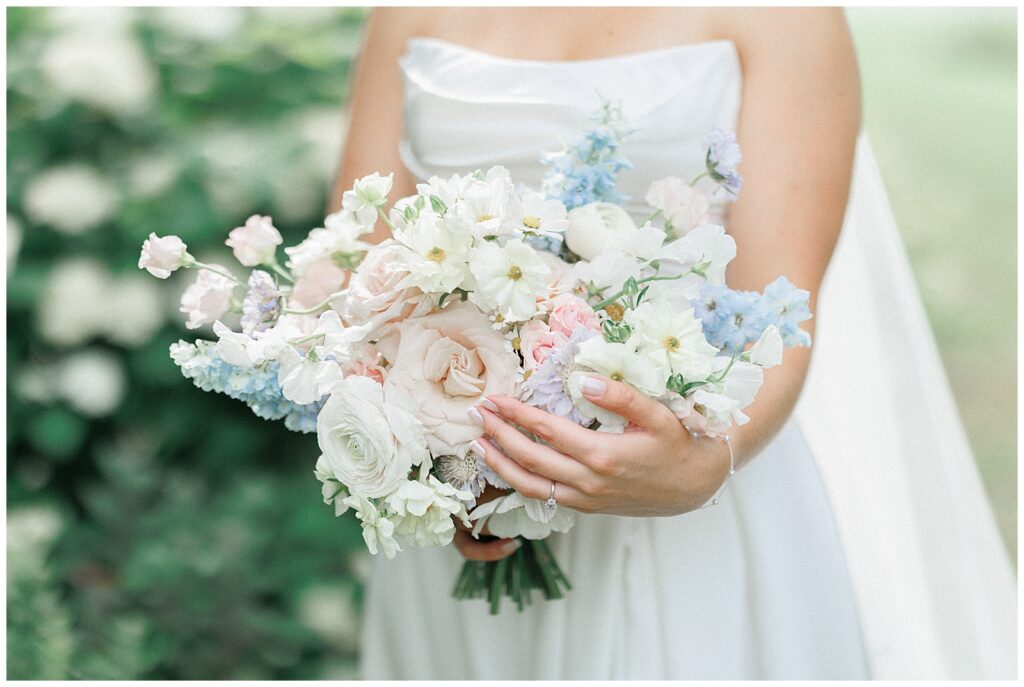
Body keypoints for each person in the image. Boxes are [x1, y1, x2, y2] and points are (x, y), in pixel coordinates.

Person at [333, 7, 1016, 680]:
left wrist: (704, 462)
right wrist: (431, 462)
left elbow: (776, 313)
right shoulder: (404, 12)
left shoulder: (790, 16)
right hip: (465, 499)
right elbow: (357, 266)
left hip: (684, 506)